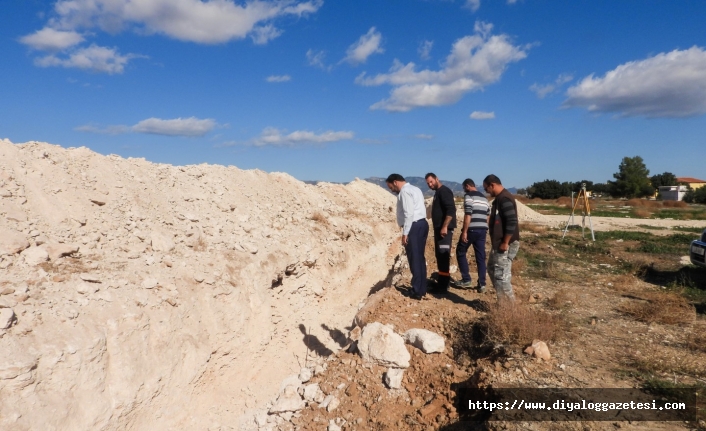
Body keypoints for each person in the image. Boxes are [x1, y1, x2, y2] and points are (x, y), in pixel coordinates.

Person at [386, 174, 429, 300]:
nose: (391, 190)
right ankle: (421, 288)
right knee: (420, 257)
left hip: (413, 226)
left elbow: (409, 213)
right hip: (422, 224)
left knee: (414, 258)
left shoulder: (404, 192)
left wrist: (405, 233)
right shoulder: (416, 189)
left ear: (395, 182)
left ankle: (417, 291)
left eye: (391, 187)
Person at [483, 174, 520, 303]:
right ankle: (503, 300)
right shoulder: (499, 199)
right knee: (492, 269)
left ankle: (508, 307)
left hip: (504, 243)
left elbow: (511, 221)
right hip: (499, 243)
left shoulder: (504, 199)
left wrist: (505, 242)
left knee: (501, 275)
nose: (486, 192)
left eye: (486, 188)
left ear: (492, 185)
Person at [454, 178, 490, 292]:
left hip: (472, 230)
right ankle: (482, 284)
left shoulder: (469, 196)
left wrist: (464, 231)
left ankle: (466, 279)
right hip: (482, 230)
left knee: (460, 251)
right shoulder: (485, 198)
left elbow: (468, 215)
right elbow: (488, 215)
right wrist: (485, 228)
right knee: (480, 256)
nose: (464, 190)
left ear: (468, 186)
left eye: (464, 188)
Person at [425, 173, 457, 293]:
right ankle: (442, 282)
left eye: (431, 182)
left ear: (437, 179)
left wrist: (444, 227)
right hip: (440, 230)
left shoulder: (444, 191)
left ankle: (444, 286)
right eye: (428, 183)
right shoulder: (437, 193)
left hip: (445, 232)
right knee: (440, 255)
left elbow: (451, 209)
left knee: (443, 255)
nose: (430, 184)